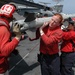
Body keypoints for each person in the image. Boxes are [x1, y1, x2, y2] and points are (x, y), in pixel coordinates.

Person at [0, 4, 22, 75]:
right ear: (11, 16)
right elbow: (5, 51)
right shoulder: (4, 29)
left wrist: (12, 49)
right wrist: (18, 36)